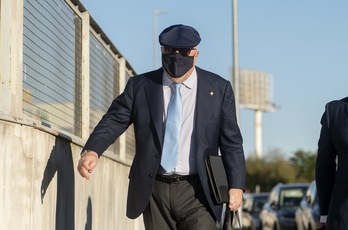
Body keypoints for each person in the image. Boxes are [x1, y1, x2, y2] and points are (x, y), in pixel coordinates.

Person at [77, 24, 246, 229]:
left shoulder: (218, 88)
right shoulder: (140, 86)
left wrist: (236, 185)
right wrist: (92, 150)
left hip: (199, 189)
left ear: (196, 54)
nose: (176, 57)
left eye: (184, 52)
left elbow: (231, 141)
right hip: (154, 189)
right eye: (169, 51)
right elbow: (114, 120)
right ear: (161, 51)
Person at [316, 97, 348, 230]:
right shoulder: (334, 112)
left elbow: (324, 168)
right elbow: (324, 167)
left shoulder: (336, 112)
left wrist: (324, 215)